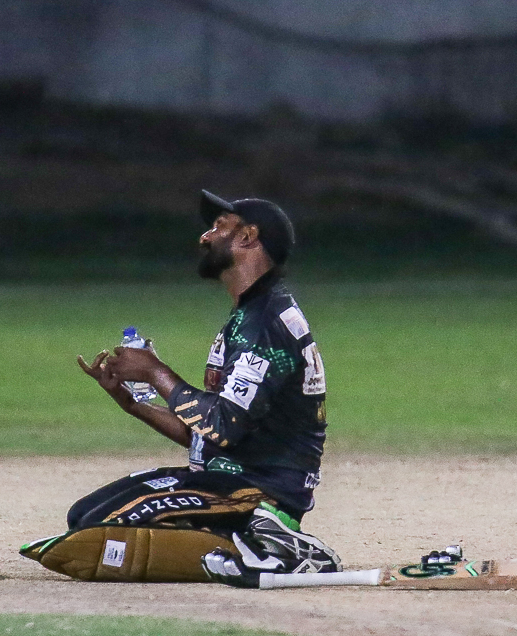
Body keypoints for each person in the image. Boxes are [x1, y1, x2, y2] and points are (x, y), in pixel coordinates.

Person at [45, 190, 339, 587]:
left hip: (262, 491)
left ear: (248, 237)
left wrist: (156, 372)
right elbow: (207, 435)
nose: (205, 237)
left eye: (218, 227)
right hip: (227, 480)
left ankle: (276, 545)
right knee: (83, 516)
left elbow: (225, 424)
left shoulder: (265, 322)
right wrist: (132, 403)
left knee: (102, 526)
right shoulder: (251, 313)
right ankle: (240, 541)